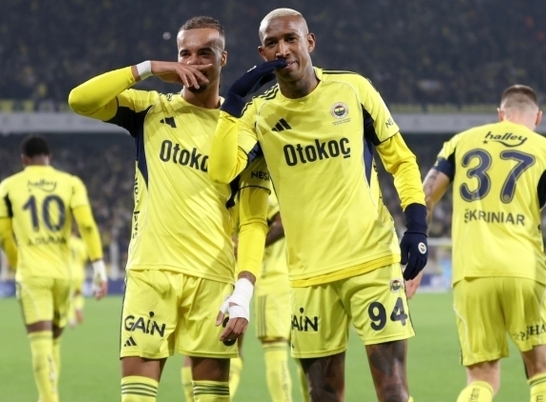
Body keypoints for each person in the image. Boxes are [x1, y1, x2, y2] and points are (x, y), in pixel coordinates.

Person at [208, 7, 428, 402]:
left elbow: (401, 160)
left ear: (309, 42)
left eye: (290, 38)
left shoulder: (353, 89)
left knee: (393, 389)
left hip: (372, 260)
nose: (282, 49)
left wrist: (417, 225)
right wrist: (234, 103)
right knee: (322, 394)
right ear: (262, 53)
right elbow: (222, 171)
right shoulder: (258, 115)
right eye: (272, 43)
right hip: (309, 276)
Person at [68, 16, 270, 402]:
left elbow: (253, 221)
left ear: (223, 58)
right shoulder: (150, 109)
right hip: (150, 274)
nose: (193, 62)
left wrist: (243, 289)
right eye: (184, 53)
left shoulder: (245, 129)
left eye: (205, 53)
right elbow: (80, 100)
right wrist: (147, 68)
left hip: (213, 280)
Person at [410, 84, 546, 402]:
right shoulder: (542, 148)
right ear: (538, 117)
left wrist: (417, 253)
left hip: (472, 273)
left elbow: (424, 195)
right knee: (541, 371)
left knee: (482, 378)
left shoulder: (462, 141)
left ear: (500, 114)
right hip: (524, 269)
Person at [0, 135, 107, 402]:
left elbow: (4, 236)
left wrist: (17, 262)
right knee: (54, 341)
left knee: (40, 342)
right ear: (50, 158)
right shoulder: (70, 183)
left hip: (32, 274)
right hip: (63, 275)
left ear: (24, 160)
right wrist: (99, 267)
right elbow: (87, 225)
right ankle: (51, 395)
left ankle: (48, 398)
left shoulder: (8, 187)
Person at [256, 192, 308, 402]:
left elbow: (282, 222)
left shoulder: (263, 185)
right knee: (307, 355)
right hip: (299, 275)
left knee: (274, 349)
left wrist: (253, 245)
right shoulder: (289, 183)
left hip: (272, 279)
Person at [68, 231, 89, 328]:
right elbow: (84, 258)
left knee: (69, 296)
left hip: (68, 272)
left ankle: (71, 318)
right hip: (80, 272)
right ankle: (78, 307)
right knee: (78, 293)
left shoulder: (66, 242)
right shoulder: (81, 243)